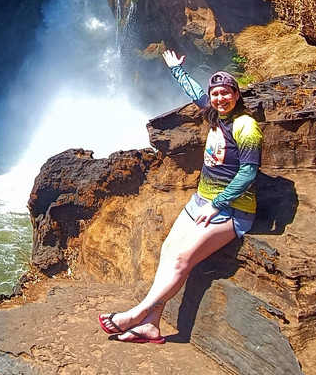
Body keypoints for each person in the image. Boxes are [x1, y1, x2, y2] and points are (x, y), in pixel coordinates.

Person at [97, 49, 262, 343]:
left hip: (232, 208)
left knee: (182, 259)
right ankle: (151, 325)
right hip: (200, 200)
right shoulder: (214, 114)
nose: (220, 98)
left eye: (226, 93)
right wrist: (176, 69)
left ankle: (136, 314)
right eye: (216, 94)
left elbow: (248, 173)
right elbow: (195, 92)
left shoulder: (246, 126)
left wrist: (218, 204)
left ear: (236, 95)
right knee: (169, 250)